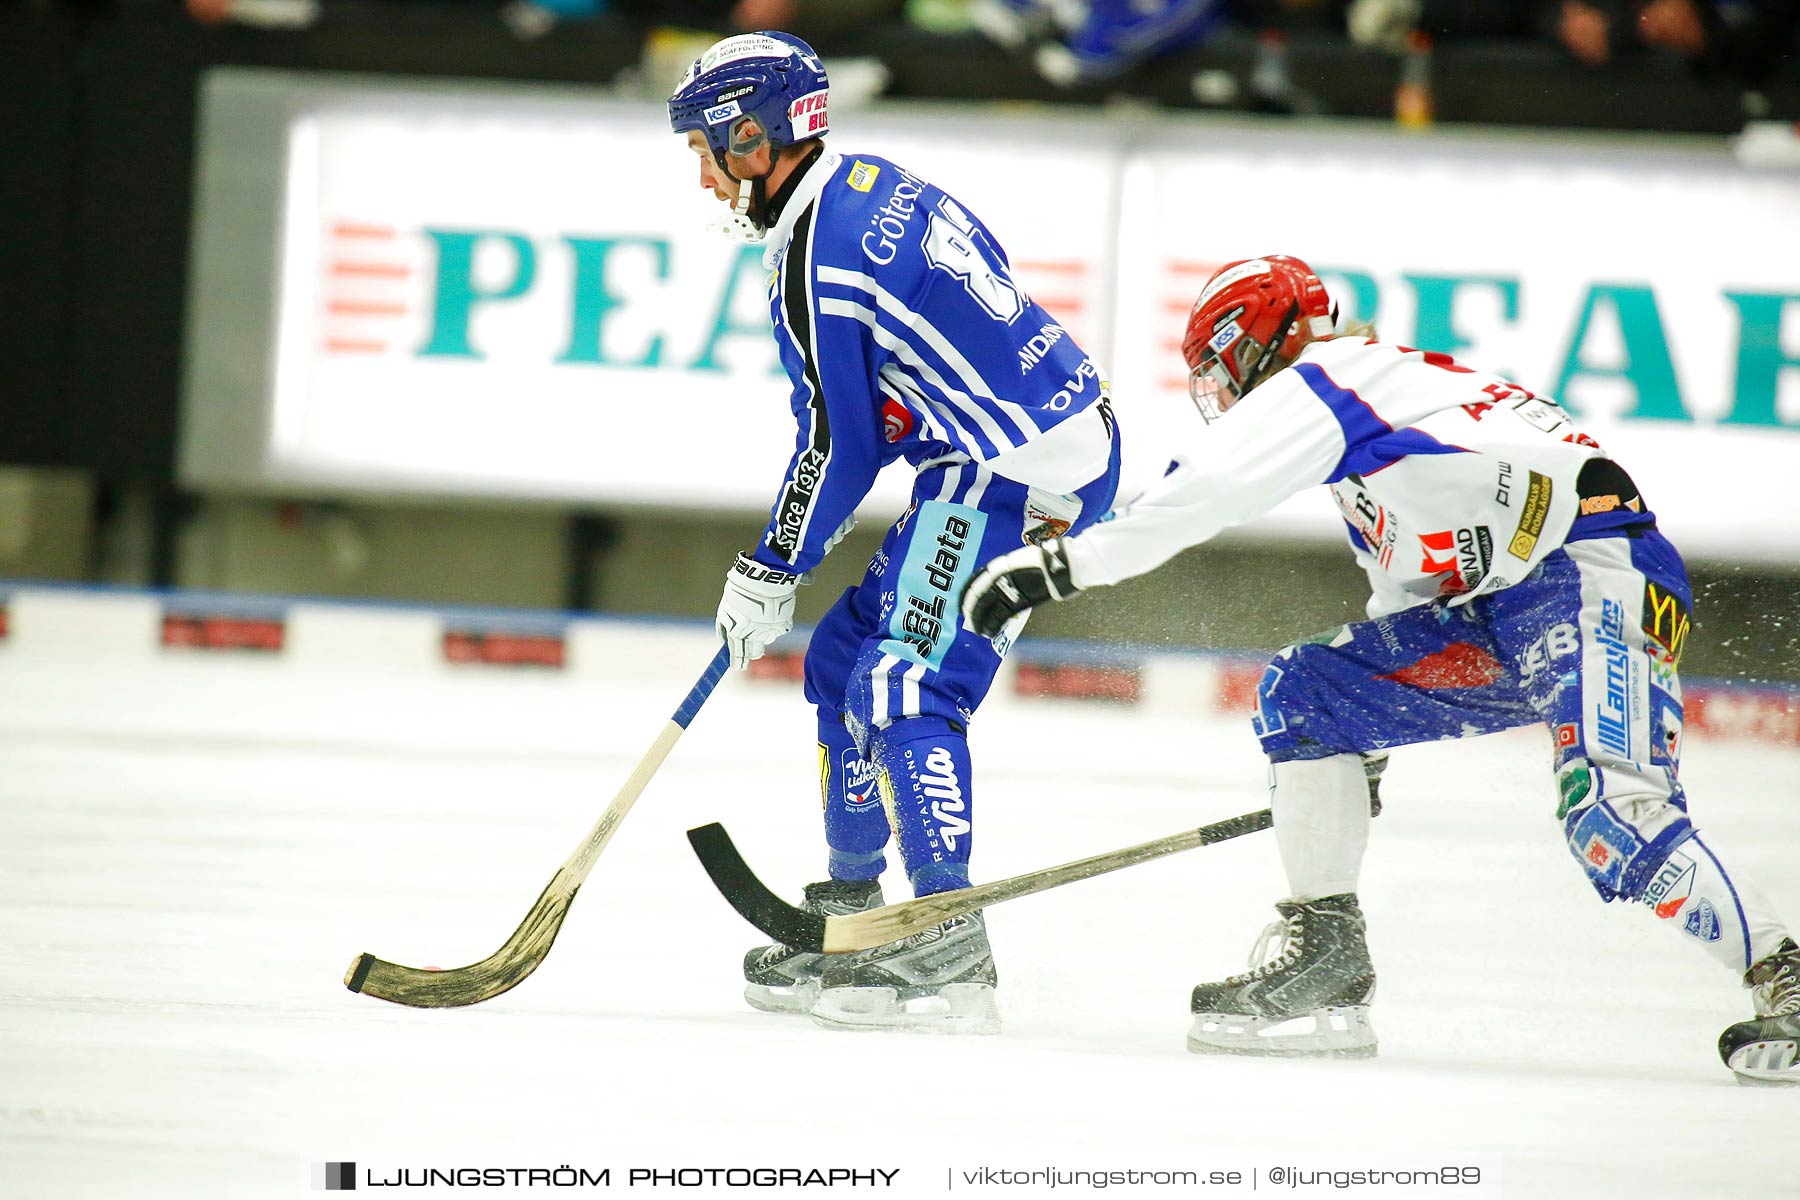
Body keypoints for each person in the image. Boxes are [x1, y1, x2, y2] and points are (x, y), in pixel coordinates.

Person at [960, 254, 1799, 1083]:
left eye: (1217, 368)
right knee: (1313, 696)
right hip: (1511, 608)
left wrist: (1064, 566)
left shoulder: (1328, 380)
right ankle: (1326, 952)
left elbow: (1204, 493)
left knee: (1613, 817)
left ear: (1256, 343)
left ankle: (1784, 979)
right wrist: (1348, 752)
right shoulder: (1372, 434)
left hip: (1592, 575)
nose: (1218, 393)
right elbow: (1406, 601)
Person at [667, 32, 1123, 1034]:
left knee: (904, 682)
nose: (702, 176)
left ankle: (945, 934)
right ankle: (856, 913)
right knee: (841, 659)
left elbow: (842, 443)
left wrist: (768, 565)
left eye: (706, 149)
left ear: (754, 138)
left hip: (1010, 473)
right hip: (1029, 447)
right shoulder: (876, 182)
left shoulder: (813, 257)